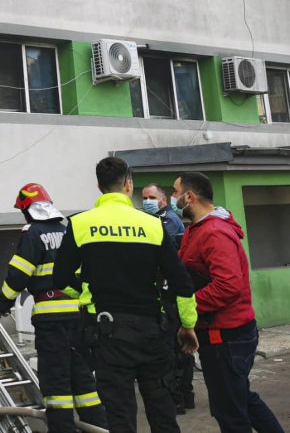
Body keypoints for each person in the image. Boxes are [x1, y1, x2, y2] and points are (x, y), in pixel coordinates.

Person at [54, 157, 198, 433]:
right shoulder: (153, 225)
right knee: (162, 412)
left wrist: (86, 290)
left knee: (120, 416)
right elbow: (182, 282)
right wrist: (188, 325)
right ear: (129, 185)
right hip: (153, 333)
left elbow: (60, 278)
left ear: (99, 186)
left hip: (109, 336)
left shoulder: (80, 224)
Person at [172, 172, 284, 433]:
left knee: (230, 412)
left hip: (226, 336)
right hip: (220, 333)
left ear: (190, 196)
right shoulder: (197, 230)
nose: (173, 198)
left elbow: (228, 285)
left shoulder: (213, 232)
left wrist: (188, 306)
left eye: (176, 192)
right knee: (241, 399)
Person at [0, 184, 107, 433]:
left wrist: (4, 302)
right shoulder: (68, 230)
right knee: (83, 380)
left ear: (27, 210)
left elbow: (18, 274)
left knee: (56, 384)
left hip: (51, 319)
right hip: (77, 315)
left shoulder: (32, 233)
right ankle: (97, 428)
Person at [141, 182, 194, 414]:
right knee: (177, 349)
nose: (146, 202)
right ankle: (184, 396)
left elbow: (167, 260)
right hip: (169, 291)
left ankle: (178, 399)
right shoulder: (160, 220)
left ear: (162, 200)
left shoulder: (168, 222)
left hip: (171, 293)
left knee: (174, 349)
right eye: (144, 197)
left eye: (151, 197)